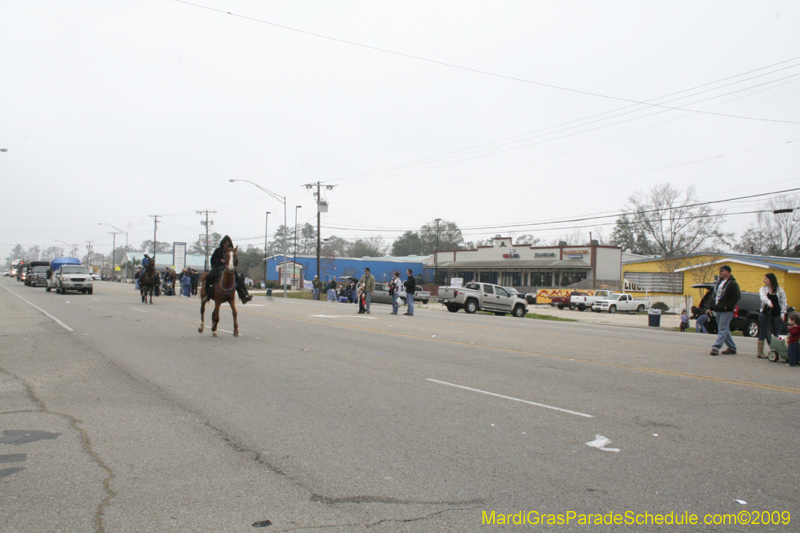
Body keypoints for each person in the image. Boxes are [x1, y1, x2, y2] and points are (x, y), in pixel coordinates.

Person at [204, 235, 252, 304]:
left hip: (229, 267)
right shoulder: (218, 250)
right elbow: (213, 259)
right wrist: (220, 260)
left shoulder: (231, 251)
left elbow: (236, 260)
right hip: (219, 267)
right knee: (210, 276)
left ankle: (244, 296)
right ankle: (207, 295)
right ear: (222, 243)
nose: (226, 244)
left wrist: (233, 263)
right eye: (225, 243)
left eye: (228, 243)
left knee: (238, 279)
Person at [707, 265, 741, 356]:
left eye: (722, 271)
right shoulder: (718, 283)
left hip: (726, 311)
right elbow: (714, 296)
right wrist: (711, 307)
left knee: (722, 329)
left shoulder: (733, 284)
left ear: (727, 272)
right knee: (724, 329)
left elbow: (736, 297)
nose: (720, 272)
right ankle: (732, 348)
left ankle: (716, 347)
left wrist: (727, 306)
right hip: (718, 310)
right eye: (719, 271)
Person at [757, 273, 788, 358]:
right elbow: (763, 297)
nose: (764, 280)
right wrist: (768, 302)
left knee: (776, 332)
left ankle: (776, 351)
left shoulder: (779, 290)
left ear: (771, 280)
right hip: (765, 313)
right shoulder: (763, 289)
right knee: (763, 331)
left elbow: (783, 302)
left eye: (766, 279)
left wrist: (783, 313)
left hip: (776, 314)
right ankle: (760, 352)